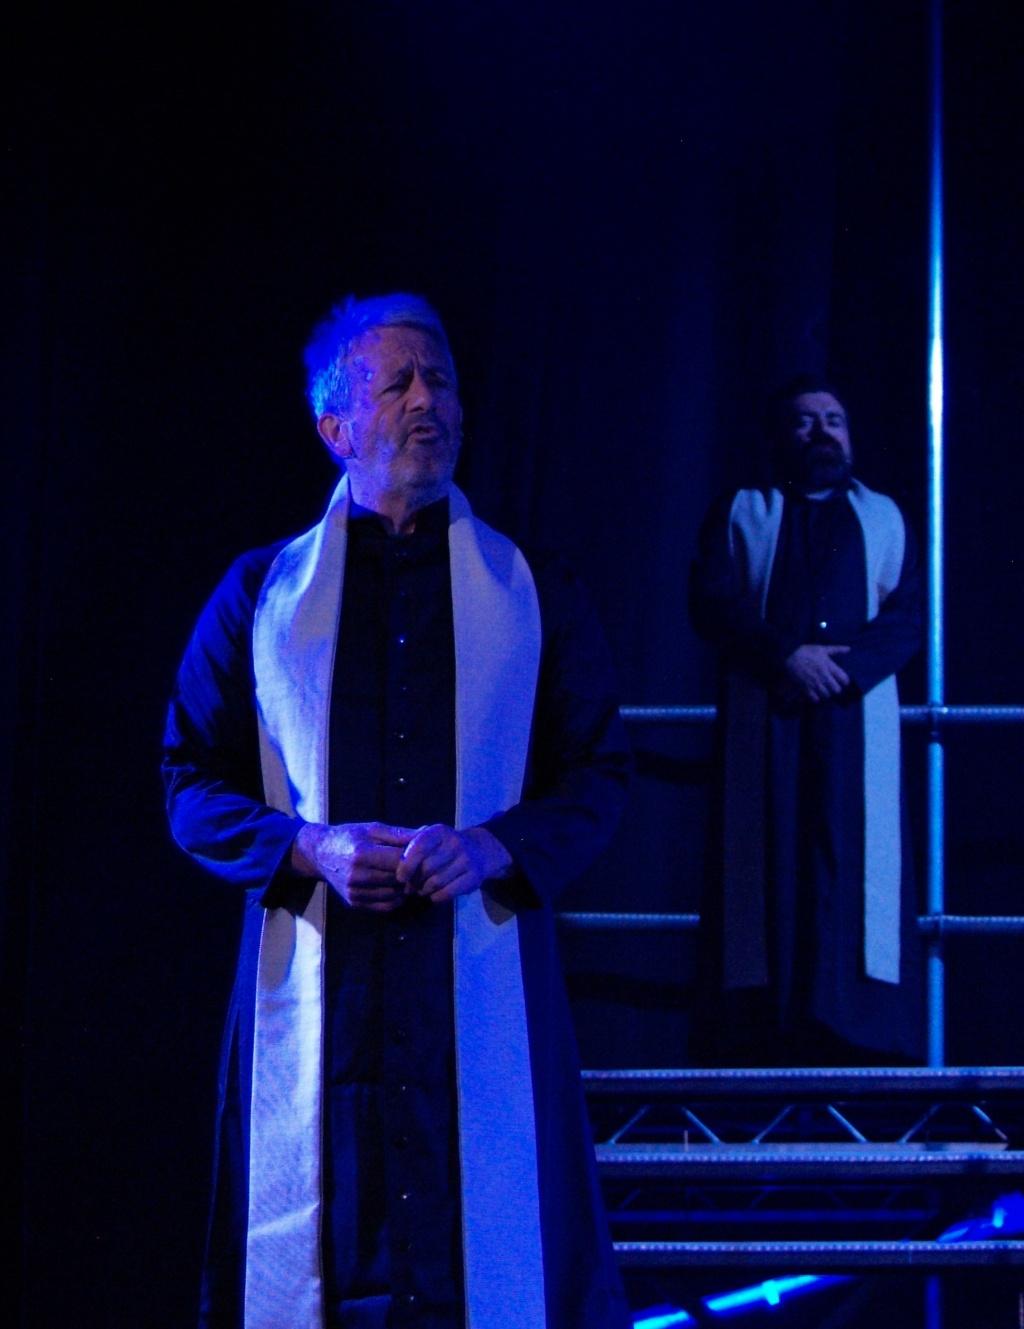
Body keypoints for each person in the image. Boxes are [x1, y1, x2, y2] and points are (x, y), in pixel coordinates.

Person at [163, 294, 633, 1329]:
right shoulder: (262, 592)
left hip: (480, 987)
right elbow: (187, 779)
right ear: (335, 427)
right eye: (399, 383)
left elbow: (600, 770)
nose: (430, 400)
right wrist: (307, 847)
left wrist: (495, 847)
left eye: (443, 379)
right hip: (321, 996)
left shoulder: (532, 587)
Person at [689, 376, 925, 1067]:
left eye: (834, 420)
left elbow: (908, 614)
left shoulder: (885, 517)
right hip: (770, 715)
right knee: (768, 867)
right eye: (805, 422)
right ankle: (766, 1033)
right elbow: (713, 601)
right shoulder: (743, 511)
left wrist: (843, 672)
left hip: (852, 722)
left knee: (848, 865)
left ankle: (855, 1035)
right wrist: (786, 656)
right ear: (778, 437)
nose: (823, 432)